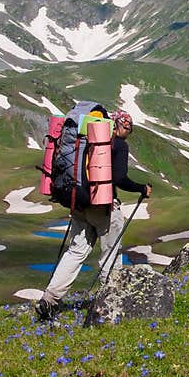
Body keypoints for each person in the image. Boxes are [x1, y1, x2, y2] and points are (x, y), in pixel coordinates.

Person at [34, 110, 152, 321]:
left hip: (79, 204)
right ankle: (111, 303)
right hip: (103, 207)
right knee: (111, 252)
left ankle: (49, 300)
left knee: (76, 252)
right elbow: (119, 178)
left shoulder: (84, 140)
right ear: (117, 124)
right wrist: (141, 188)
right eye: (128, 128)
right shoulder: (118, 145)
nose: (128, 132)